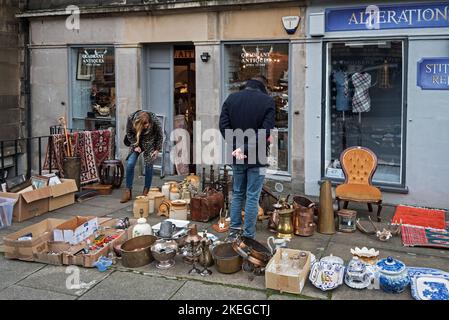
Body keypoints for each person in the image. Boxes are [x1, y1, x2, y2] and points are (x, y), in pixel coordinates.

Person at [219, 75, 275, 239]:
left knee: (237, 193)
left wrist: (238, 147)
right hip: (257, 156)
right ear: (263, 86)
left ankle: (234, 231)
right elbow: (265, 132)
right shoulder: (267, 101)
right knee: (252, 196)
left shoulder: (232, 98)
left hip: (237, 155)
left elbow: (223, 127)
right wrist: (245, 148)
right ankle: (248, 235)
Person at [120, 110, 163, 203]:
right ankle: (128, 191)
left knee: (149, 165)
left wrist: (157, 149)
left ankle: (146, 190)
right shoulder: (131, 118)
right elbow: (129, 133)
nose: (146, 126)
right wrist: (135, 146)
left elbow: (160, 135)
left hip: (150, 144)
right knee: (130, 164)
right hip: (136, 143)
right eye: (144, 125)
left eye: (147, 124)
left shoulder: (154, 120)